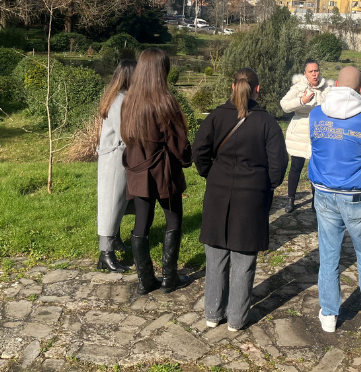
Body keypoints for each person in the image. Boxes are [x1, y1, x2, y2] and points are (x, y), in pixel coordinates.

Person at [194, 68, 288, 331]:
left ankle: (213, 314)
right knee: (244, 260)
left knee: (215, 257)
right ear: (257, 89)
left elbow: (198, 151)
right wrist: (267, 185)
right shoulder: (267, 122)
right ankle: (236, 319)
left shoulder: (216, 116)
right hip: (252, 197)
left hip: (218, 192)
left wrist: (210, 174)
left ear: (233, 87)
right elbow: (279, 163)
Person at [308, 66, 361, 333]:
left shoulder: (315, 114)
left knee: (329, 257)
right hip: (356, 196)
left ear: (335, 84)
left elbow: (315, 144)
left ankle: (329, 314)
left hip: (324, 193)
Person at [121, 48, 193, 295]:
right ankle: (169, 278)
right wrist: (187, 159)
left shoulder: (129, 101)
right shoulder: (164, 102)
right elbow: (178, 141)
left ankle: (145, 280)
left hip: (137, 170)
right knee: (173, 219)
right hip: (163, 172)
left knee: (142, 222)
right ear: (162, 71)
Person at [96, 59, 136, 272]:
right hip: (115, 159)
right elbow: (126, 133)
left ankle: (115, 240)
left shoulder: (119, 97)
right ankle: (106, 254)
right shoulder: (120, 100)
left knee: (119, 201)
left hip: (117, 157)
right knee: (110, 204)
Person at [279, 59, 331, 213]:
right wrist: (302, 100)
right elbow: (284, 104)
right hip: (299, 134)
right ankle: (290, 199)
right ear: (305, 73)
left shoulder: (327, 89)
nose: (314, 74)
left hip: (319, 133)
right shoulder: (298, 87)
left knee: (316, 169)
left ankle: (316, 201)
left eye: (316, 70)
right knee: (296, 166)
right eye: (311, 71)